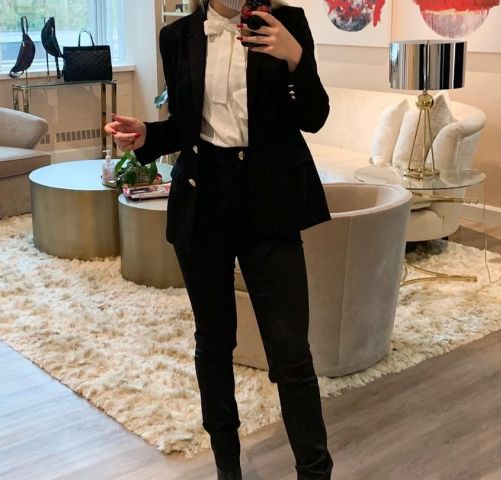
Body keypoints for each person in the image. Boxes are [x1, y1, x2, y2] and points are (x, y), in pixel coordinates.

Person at [104, 0, 334, 478]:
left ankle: (315, 471)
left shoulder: (286, 23)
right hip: (203, 201)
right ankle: (228, 469)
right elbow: (187, 126)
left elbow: (313, 117)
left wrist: (296, 58)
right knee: (213, 341)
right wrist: (147, 134)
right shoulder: (176, 36)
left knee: (291, 350)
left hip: (271, 202)